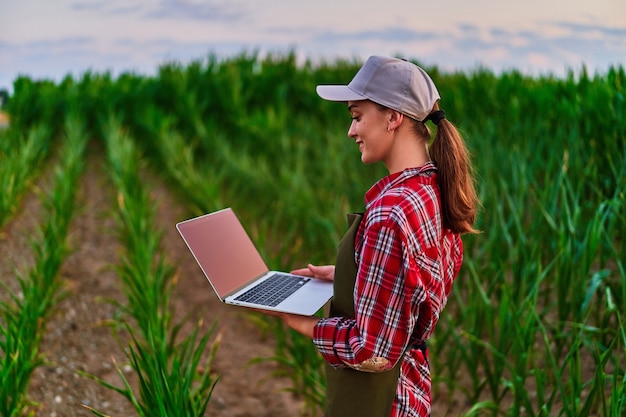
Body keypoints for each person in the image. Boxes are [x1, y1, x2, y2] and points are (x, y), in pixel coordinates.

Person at [259, 55, 479, 416]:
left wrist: (301, 323)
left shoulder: (390, 212)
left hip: (380, 401)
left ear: (393, 118)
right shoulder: (434, 192)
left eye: (357, 116)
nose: (351, 131)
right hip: (410, 393)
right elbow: (413, 289)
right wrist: (354, 274)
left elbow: (373, 351)